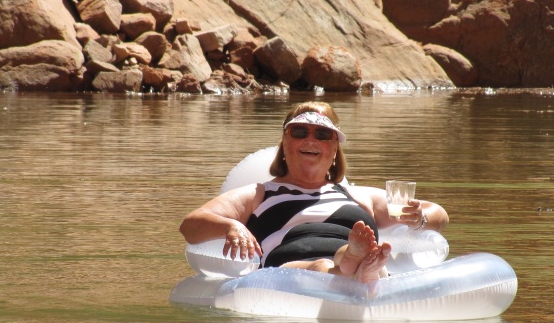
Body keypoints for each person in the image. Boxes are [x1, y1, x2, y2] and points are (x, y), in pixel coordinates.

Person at [179, 102, 449, 282]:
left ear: (334, 149)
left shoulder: (359, 196)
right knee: (321, 266)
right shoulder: (259, 194)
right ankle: (350, 265)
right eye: (299, 131)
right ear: (285, 143)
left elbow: (438, 213)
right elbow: (191, 225)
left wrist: (419, 219)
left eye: (322, 134)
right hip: (291, 272)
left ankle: (353, 262)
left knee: (343, 257)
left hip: (357, 260)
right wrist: (231, 227)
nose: (311, 139)